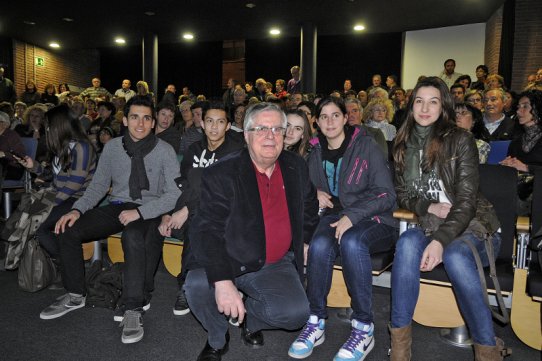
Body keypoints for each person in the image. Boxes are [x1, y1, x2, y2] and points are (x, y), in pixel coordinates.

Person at [38, 96, 181, 345]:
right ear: (125, 120)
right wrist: (77, 210)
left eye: (146, 118)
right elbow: (99, 186)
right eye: (134, 117)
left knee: (133, 235)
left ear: (153, 121)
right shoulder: (113, 147)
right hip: (118, 205)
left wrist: (140, 213)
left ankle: (133, 308)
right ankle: (75, 293)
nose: (140, 123)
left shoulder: (164, 150)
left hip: (150, 208)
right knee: (67, 228)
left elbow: (174, 194)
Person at [184, 102, 319, 361]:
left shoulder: (295, 167)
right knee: (197, 286)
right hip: (228, 256)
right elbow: (207, 229)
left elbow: (310, 208)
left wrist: (306, 240)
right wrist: (223, 281)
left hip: (273, 262)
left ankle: (251, 321)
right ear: (246, 135)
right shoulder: (221, 172)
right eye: (261, 128)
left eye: (277, 129)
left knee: (295, 314)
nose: (270, 136)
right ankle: (217, 335)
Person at [389, 77, 510, 361]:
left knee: (455, 254)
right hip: (433, 224)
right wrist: (429, 206)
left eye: (433, 101)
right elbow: (403, 194)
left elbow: (467, 202)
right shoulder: (402, 144)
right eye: (419, 101)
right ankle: (399, 350)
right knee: (406, 243)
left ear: (443, 106)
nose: (425, 108)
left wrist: (441, 242)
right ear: (411, 105)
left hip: (474, 225)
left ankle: (487, 350)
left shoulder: (460, 139)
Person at [288, 96, 397, 361]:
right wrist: (316, 192)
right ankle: (316, 320)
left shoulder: (366, 145)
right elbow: (304, 185)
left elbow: (386, 194)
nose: (330, 121)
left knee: (352, 242)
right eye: (323, 117)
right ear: (316, 122)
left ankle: (363, 327)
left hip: (377, 218)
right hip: (337, 216)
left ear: (346, 117)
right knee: (320, 244)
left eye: (335, 115)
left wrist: (353, 215)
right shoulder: (314, 151)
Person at [159, 102, 244, 317]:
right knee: (197, 188)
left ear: (228, 126)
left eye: (220, 122)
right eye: (209, 121)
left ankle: (186, 284)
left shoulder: (236, 152)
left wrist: (187, 209)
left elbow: (228, 191)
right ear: (202, 124)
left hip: (226, 212)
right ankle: (194, 283)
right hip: (191, 214)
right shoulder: (194, 150)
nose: (214, 127)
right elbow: (184, 186)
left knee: (199, 214)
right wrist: (170, 212)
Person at [16, 104, 97, 262]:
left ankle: (66, 263)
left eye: (48, 126)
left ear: (59, 126)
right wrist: (34, 167)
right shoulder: (63, 147)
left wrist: (47, 203)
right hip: (61, 195)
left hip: (78, 199)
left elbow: (74, 185)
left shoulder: (82, 147)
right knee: (25, 215)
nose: (46, 130)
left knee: (38, 224)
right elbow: (53, 176)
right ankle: (48, 260)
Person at [500, 89, 542, 215]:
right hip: (521, 190)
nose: (518, 111)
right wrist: (508, 164)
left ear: (538, 108)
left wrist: (526, 167)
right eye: (518, 107)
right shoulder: (516, 142)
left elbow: (524, 167)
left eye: (525, 106)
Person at [0, 111, 26, 183]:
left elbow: (21, 155)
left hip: (12, 168)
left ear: (4, 123)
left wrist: (4, 154)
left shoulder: (11, 135)